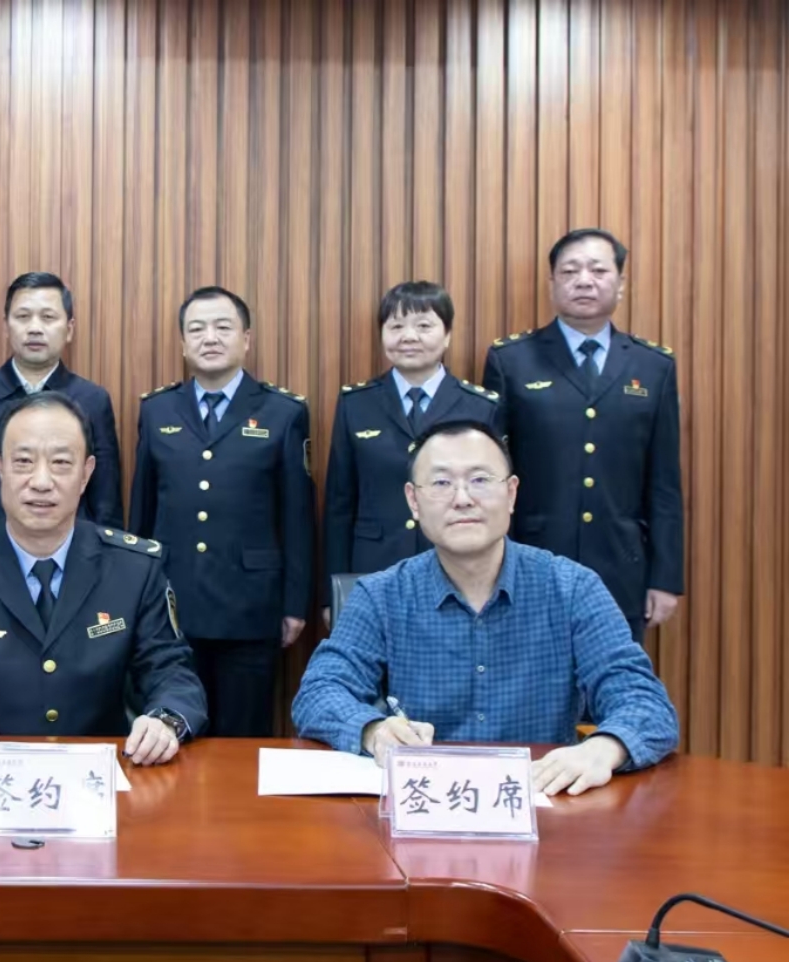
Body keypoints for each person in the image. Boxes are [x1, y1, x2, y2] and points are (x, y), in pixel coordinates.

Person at [291, 420, 679, 797]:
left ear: (511, 494)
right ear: (413, 501)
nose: (462, 498)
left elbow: (644, 701)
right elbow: (319, 692)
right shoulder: (381, 595)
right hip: (424, 806)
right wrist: (372, 730)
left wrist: (604, 748)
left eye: (480, 480)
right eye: (441, 483)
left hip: (542, 806)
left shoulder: (573, 588)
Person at [0, 392, 207, 764]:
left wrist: (165, 721)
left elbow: (173, 674)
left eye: (61, 463)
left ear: (86, 474)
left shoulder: (134, 569)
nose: (41, 481)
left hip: (102, 777)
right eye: (24, 462)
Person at [128, 286, 315, 738]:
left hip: (251, 606)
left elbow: (297, 518)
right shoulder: (157, 410)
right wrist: (132, 595)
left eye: (222, 327)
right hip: (172, 604)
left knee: (243, 736)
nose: (209, 337)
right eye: (197, 329)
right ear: (183, 343)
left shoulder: (283, 411)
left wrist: (294, 604)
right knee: (172, 734)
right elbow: (142, 512)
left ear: (246, 339)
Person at [482, 228, 683, 643]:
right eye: (570, 271)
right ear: (552, 283)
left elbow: (664, 482)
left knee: (613, 681)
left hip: (622, 568)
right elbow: (490, 473)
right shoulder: (511, 360)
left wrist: (665, 577)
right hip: (530, 563)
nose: (584, 280)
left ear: (621, 283)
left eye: (598, 270)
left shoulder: (653, 366)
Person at [323, 281, 501, 619]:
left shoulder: (480, 406)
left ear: (447, 335)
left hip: (459, 569)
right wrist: (331, 593)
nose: (408, 336)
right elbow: (339, 504)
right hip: (373, 568)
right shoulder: (356, 403)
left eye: (423, 326)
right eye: (396, 326)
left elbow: (496, 499)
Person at [0, 271, 123, 536]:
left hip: (70, 553)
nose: (35, 328)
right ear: (6, 327)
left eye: (48, 317)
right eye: (23, 317)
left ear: (69, 329)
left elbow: (106, 504)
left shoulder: (92, 400)